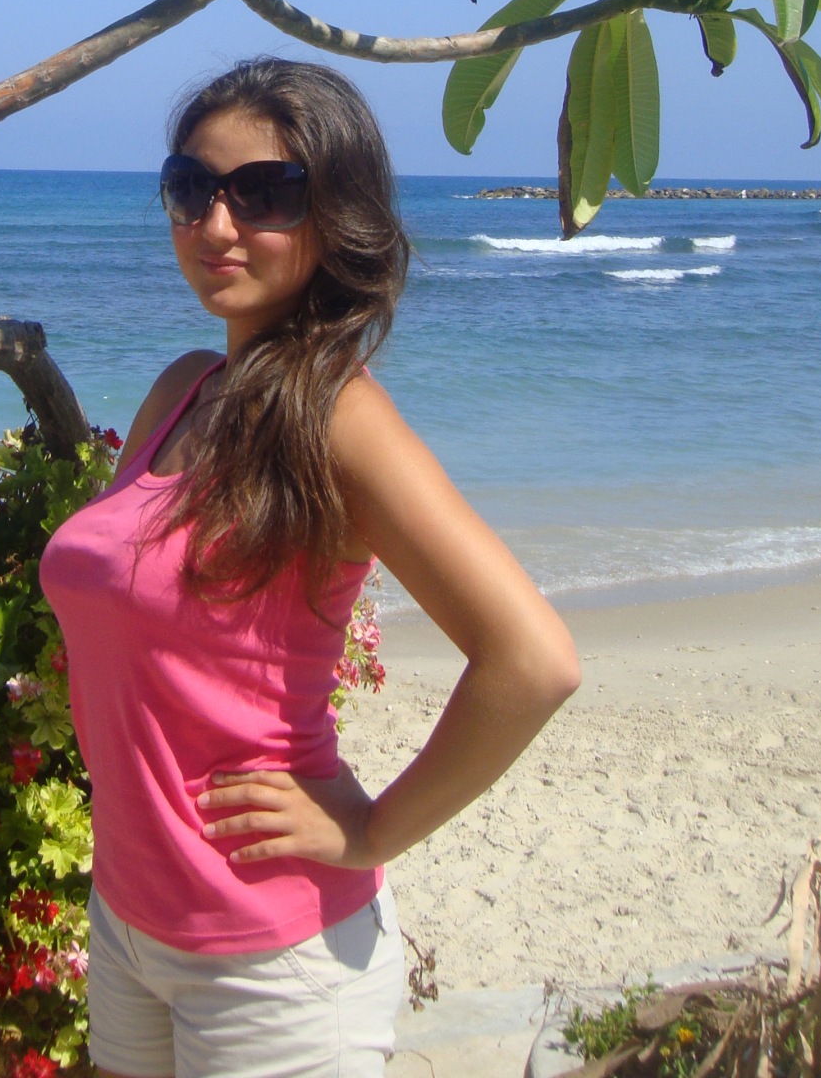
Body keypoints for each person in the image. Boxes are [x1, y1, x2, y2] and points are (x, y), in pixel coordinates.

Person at [39, 56, 581, 1078]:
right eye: (192, 188)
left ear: (336, 215)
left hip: (272, 958)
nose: (217, 224)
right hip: (131, 919)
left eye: (265, 193)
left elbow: (533, 658)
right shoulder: (183, 389)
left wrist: (370, 831)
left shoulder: (339, 417)